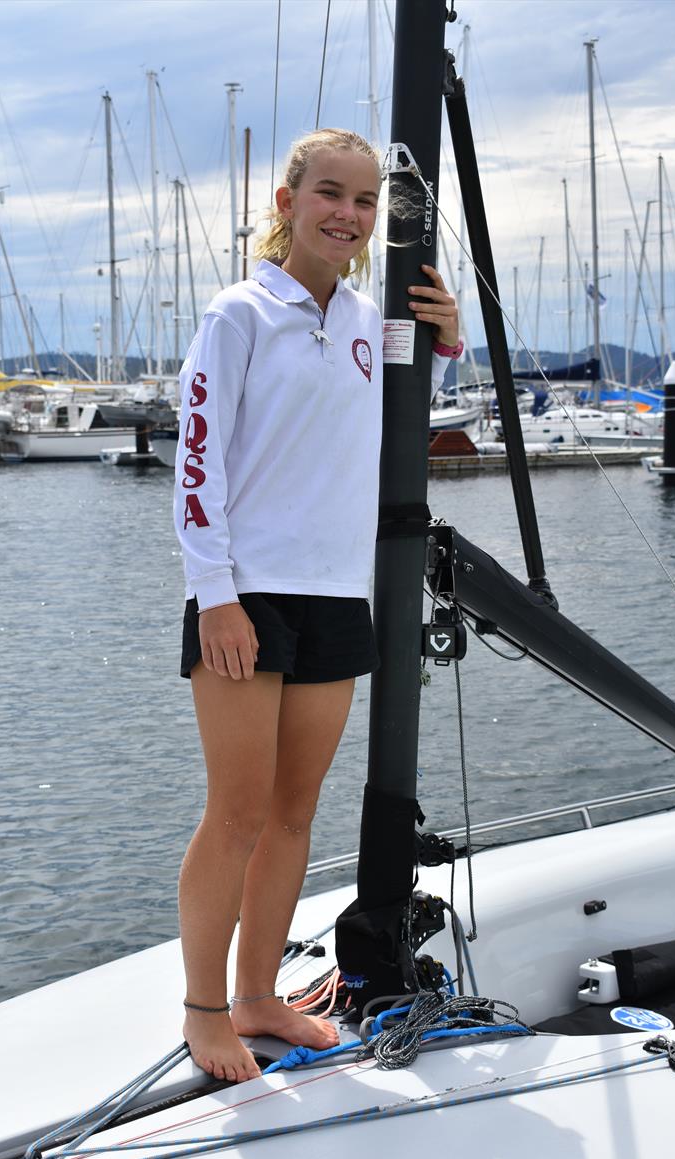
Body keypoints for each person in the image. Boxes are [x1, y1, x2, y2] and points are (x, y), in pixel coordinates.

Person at [173, 128, 461, 1083]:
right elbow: (197, 462)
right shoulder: (240, 313)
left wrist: (446, 341)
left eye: (366, 201)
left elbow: (406, 421)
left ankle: (259, 995)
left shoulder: (369, 323)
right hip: (245, 595)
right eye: (330, 193)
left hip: (338, 592)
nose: (349, 213)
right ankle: (204, 1010)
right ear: (289, 200)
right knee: (237, 815)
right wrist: (214, 593)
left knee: (294, 816)